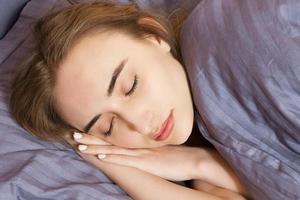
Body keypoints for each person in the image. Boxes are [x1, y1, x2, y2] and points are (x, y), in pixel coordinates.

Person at [9, 1, 249, 199]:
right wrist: (198, 163)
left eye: (130, 86)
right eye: (108, 127)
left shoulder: (235, 44)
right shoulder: (194, 164)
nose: (141, 125)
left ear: (153, 35)